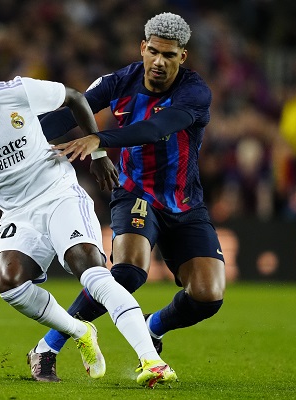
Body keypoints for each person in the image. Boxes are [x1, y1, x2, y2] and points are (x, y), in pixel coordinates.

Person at [0, 34, 177, 387]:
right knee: (9, 282)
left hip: (58, 193)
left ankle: (151, 361)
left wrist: (97, 153)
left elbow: (76, 98)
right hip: (17, 214)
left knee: (90, 270)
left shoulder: (18, 92)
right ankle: (79, 330)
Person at [29, 12, 226, 382]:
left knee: (207, 295)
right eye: (153, 51)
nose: (159, 61)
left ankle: (153, 326)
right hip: (136, 193)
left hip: (185, 203)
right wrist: (16, 141)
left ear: (183, 57)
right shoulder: (119, 81)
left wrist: (98, 141)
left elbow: (156, 129)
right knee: (129, 272)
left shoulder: (194, 92)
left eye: (169, 55)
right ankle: (48, 346)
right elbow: (70, 112)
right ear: (142, 47)